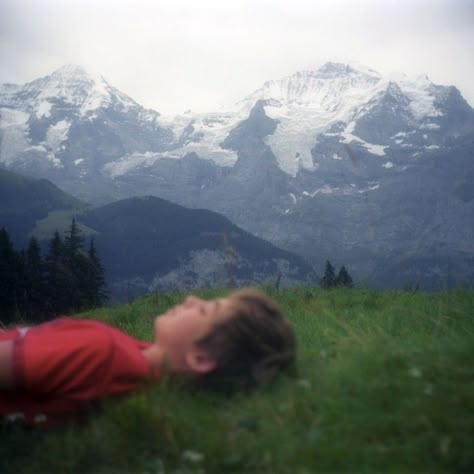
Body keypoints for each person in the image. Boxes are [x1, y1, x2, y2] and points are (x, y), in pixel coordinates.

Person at [0, 288, 296, 427]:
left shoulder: (101, 352)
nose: (192, 298)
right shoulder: (139, 375)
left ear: (200, 358)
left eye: (205, 310)